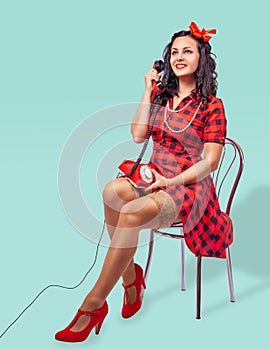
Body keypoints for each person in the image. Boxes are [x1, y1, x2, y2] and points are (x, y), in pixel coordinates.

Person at [55, 21, 233, 343]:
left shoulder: (212, 106)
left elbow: (211, 161)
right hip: (152, 176)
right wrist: (147, 91)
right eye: (175, 51)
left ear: (201, 59)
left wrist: (172, 179)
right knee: (112, 192)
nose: (179, 57)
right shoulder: (162, 98)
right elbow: (138, 135)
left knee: (132, 212)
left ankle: (92, 305)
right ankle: (131, 277)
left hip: (188, 187)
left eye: (187, 51)